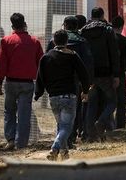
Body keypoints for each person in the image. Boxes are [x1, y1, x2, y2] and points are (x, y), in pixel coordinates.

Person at [35, 30, 90, 161]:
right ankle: (54, 149)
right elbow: (84, 74)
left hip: (53, 97)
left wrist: (38, 92)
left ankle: (64, 154)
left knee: (61, 125)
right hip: (69, 96)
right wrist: (85, 90)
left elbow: (40, 77)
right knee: (67, 127)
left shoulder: (46, 57)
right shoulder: (72, 56)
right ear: (67, 42)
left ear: (54, 41)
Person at [0, 13, 43, 150]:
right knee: (24, 113)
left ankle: (10, 139)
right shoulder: (34, 42)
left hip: (10, 82)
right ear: (24, 24)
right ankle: (21, 143)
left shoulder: (6, 41)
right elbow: (40, 63)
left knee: (9, 111)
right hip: (28, 83)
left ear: (12, 26)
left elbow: (1, 63)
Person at [46, 16, 93, 146]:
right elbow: (87, 64)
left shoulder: (53, 41)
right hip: (74, 82)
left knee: (59, 113)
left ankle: (62, 138)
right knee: (74, 111)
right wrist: (88, 83)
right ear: (77, 27)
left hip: (56, 82)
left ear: (65, 25)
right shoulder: (82, 42)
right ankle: (69, 138)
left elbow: (46, 60)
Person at [80, 7, 120, 141]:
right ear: (103, 16)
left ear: (91, 16)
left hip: (90, 74)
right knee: (112, 101)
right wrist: (116, 74)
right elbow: (114, 53)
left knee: (91, 104)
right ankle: (101, 121)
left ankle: (90, 135)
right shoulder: (108, 30)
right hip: (106, 73)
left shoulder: (83, 31)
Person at [111, 16, 126, 129]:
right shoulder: (125, 41)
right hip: (120, 75)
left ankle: (108, 125)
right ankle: (120, 126)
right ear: (121, 27)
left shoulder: (107, 39)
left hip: (107, 75)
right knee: (121, 103)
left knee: (108, 102)